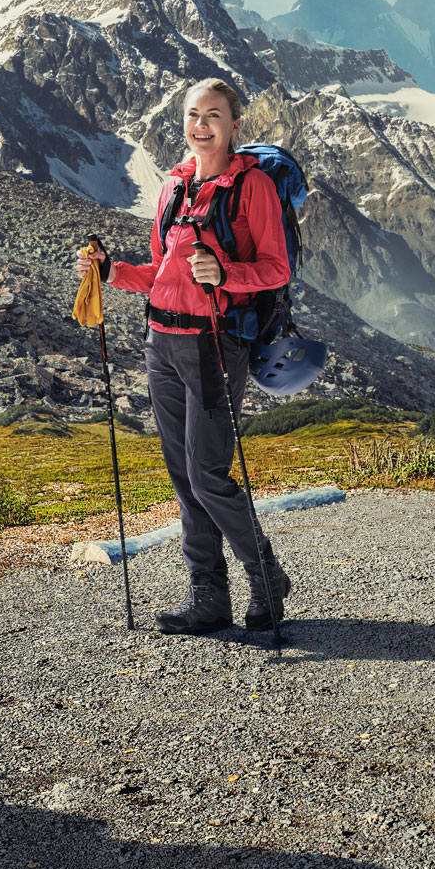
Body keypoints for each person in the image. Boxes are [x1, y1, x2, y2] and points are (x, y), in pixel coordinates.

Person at [80, 78, 292, 634]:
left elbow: (276, 268)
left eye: (214, 115)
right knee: (183, 475)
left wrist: (227, 273)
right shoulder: (173, 188)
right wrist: (110, 272)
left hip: (213, 341)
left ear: (235, 125)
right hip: (162, 340)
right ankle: (209, 597)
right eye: (194, 115)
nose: (202, 125)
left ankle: (265, 574)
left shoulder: (253, 188)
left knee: (207, 474)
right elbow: (159, 273)